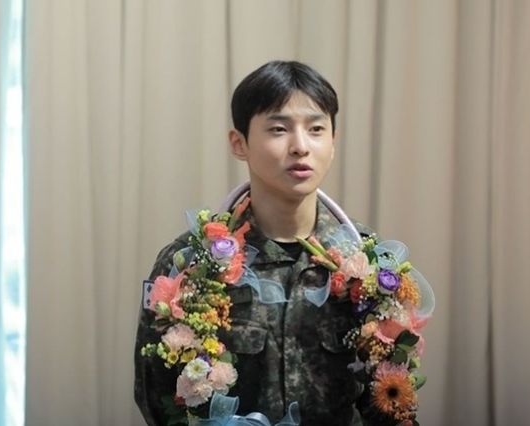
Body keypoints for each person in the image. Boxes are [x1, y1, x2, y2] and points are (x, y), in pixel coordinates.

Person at [134, 60, 423, 425]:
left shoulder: (372, 268)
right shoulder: (188, 265)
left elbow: (390, 401)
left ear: (333, 142)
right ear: (239, 143)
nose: (300, 146)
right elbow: (158, 400)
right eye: (278, 129)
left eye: (316, 129)